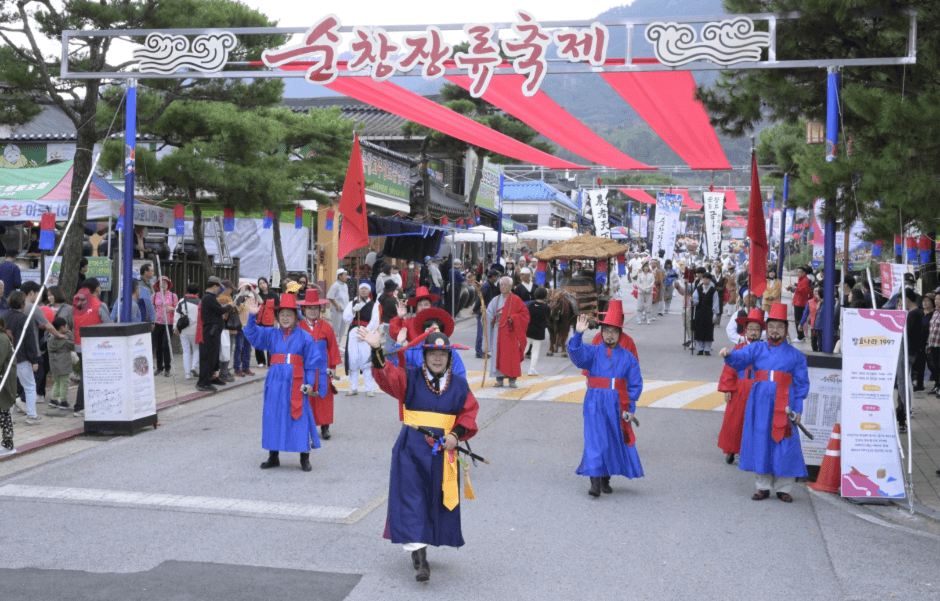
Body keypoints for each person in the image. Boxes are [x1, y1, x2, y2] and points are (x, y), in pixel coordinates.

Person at [360, 326, 479, 583]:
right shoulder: (411, 378)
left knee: (433, 499)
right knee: (412, 499)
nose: (437, 359)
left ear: (449, 357)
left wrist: (455, 435)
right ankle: (421, 559)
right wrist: (377, 349)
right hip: (411, 449)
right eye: (432, 354)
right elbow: (387, 376)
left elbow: (469, 413)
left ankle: (422, 546)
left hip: (442, 452)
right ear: (424, 356)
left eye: (442, 354)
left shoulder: (458, 384)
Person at [719, 303, 809, 503]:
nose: (774, 330)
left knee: (784, 442)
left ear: (786, 330)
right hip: (759, 402)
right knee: (761, 441)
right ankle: (763, 486)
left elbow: (802, 384)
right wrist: (728, 354)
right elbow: (740, 358)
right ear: (766, 329)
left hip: (785, 403)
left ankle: (783, 488)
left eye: (779, 326)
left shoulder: (796, 356)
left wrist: (798, 408)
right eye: (771, 326)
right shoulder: (757, 348)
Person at [243, 294, 325, 473]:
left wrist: (310, 383)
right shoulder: (271, 333)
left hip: (297, 382)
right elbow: (251, 334)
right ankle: (273, 456)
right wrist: (252, 316)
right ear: (277, 317)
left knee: (299, 417)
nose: (285, 318)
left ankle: (304, 457)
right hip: (275, 381)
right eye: (282, 315)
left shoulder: (305, 337)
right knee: (273, 416)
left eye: (289, 314)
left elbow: (311, 364)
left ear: (296, 317)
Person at [569, 307, 644, 497]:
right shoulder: (593, 352)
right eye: (606, 331)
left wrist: (631, 408)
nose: (609, 336)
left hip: (617, 404)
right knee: (595, 439)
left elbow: (634, 385)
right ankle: (594, 481)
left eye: (613, 332)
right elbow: (576, 355)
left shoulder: (628, 358)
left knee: (612, 438)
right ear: (601, 333)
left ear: (620, 334)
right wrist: (578, 334)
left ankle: (605, 478)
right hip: (594, 401)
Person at [717, 309, 764, 464]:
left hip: (759, 389)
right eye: (750, 329)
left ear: (761, 331)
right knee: (735, 420)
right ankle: (731, 449)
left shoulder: (766, 350)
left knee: (757, 421)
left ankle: (753, 452)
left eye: (757, 329)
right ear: (745, 330)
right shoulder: (738, 348)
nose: (753, 333)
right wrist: (728, 389)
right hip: (740, 388)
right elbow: (729, 370)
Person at [298, 289, 341, 441]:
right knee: (306, 396)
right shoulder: (299, 327)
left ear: (319, 309)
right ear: (304, 309)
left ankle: (325, 427)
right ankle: (308, 425)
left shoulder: (327, 327)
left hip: (323, 367)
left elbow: (333, 349)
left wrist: (333, 370)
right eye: (309, 308)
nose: (312, 311)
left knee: (324, 396)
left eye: (315, 308)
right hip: (305, 367)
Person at [72, 278, 112, 416]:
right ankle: (80, 406)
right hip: (95, 346)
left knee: (86, 374)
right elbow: (109, 326)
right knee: (89, 376)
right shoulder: (100, 305)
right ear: (96, 289)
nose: (101, 289)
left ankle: (84, 405)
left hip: (79, 344)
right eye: (100, 287)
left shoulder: (78, 304)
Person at [486, 276, 530, 388]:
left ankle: (512, 380)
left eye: (505, 285)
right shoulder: (495, 300)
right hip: (498, 331)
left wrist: (514, 317)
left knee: (511, 356)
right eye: (501, 285)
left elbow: (525, 315)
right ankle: (499, 379)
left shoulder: (516, 300)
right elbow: (489, 314)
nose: (503, 287)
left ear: (511, 286)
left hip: (511, 331)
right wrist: (484, 314)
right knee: (498, 354)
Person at [6, 291, 42, 424]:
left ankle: (7, 417)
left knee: (9, 388)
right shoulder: (24, 319)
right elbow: (30, 341)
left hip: (6, 358)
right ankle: (31, 415)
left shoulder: (3, 316)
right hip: (22, 358)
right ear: (22, 304)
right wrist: (34, 360)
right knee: (30, 386)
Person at [196, 276, 234, 393]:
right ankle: (203, 382)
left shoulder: (210, 298)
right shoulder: (208, 298)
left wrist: (219, 316)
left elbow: (214, 312)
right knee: (207, 357)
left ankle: (211, 377)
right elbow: (220, 310)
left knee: (213, 356)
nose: (219, 290)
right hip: (210, 332)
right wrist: (230, 305)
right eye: (218, 287)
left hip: (214, 331)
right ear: (214, 286)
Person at [343, 281, 379, 397]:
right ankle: (353, 388)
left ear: (369, 291)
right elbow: (346, 318)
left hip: (366, 333)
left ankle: (369, 389)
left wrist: (365, 333)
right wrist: (354, 310)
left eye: (366, 289)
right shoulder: (352, 303)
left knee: (366, 360)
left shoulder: (374, 305)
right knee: (353, 360)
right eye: (361, 288)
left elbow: (375, 321)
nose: (363, 290)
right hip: (353, 333)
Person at [897, 291, 923, 434]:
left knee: (902, 384)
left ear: (906, 300)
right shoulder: (916, 314)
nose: (900, 305)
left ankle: (903, 413)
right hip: (910, 353)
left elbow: (904, 334)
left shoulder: (912, 315)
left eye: (901, 301)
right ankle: (903, 412)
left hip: (907, 353)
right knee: (902, 383)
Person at [47, 316, 75, 411]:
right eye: (65, 326)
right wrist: (70, 335)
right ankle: (63, 401)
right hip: (64, 366)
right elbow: (73, 345)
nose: (67, 328)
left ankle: (53, 400)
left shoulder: (50, 339)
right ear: (61, 328)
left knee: (57, 383)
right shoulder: (65, 340)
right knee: (65, 383)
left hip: (54, 366)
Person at [233, 282, 260, 377]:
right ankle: (237, 368)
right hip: (240, 327)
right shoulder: (237, 297)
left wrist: (254, 291)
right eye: (245, 288)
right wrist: (240, 293)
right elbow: (234, 305)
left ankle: (246, 367)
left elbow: (261, 302)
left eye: (248, 288)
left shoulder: (251, 299)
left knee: (248, 348)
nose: (247, 290)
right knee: (239, 348)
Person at [175, 282, 200, 380]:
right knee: (197, 349)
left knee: (186, 351)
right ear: (197, 291)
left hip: (184, 330)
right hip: (195, 330)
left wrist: (175, 328)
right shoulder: (200, 302)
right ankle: (194, 366)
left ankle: (187, 374)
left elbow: (176, 315)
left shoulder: (182, 301)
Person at [152, 276, 177, 376]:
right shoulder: (154, 296)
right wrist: (152, 321)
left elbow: (177, 309)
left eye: (165, 283)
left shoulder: (173, 296)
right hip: (157, 323)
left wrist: (171, 308)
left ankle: (167, 368)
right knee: (158, 346)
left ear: (168, 285)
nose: (163, 285)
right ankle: (159, 367)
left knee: (166, 345)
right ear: (158, 285)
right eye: (161, 283)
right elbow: (152, 309)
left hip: (169, 323)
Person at [692, 271, 720, 355]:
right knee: (699, 330)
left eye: (707, 278)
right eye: (704, 278)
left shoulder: (713, 290)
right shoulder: (698, 289)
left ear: (710, 280)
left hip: (709, 313)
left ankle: (707, 349)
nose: (705, 280)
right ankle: (700, 349)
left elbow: (716, 303)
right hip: (699, 312)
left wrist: (715, 314)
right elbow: (695, 301)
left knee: (708, 331)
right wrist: (692, 300)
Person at [0, 316, 16, 456]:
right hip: (3, 381)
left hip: (4, 383)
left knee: (4, 412)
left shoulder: (2, 339)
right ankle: (7, 443)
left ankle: (8, 444)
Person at [473, 270, 499, 359]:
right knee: (480, 332)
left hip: (486, 311)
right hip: (481, 312)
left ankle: (482, 350)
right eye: (496, 276)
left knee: (484, 332)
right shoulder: (486, 285)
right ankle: (478, 351)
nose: (497, 278)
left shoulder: (491, 285)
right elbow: (480, 297)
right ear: (493, 277)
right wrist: (474, 309)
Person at [526, 287, 550, 376]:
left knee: (524, 350)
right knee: (535, 351)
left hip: (528, 331)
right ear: (545, 296)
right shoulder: (546, 308)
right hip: (539, 332)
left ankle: (516, 367)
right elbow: (548, 316)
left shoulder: (531, 305)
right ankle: (532, 370)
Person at [256, 276, 279, 367]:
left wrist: (277, 318)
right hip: (259, 322)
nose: (262, 285)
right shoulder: (258, 296)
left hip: (270, 322)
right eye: (260, 284)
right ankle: (261, 362)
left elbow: (277, 308)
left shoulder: (274, 295)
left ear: (267, 283)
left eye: (263, 283)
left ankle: (271, 362)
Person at [327, 269, 350, 352]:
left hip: (344, 310)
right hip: (337, 310)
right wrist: (336, 305)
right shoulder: (335, 285)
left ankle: (339, 344)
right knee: (336, 328)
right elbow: (330, 296)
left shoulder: (345, 285)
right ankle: (334, 346)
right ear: (339, 276)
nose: (346, 277)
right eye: (344, 275)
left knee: (343, 328)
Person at [787, 266, 811, 340]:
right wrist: (792, 289)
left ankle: (800, 336)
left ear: (804, 273)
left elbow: (805, 291)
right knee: (798, 320)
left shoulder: (805, 280)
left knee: (798, 320)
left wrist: (795, 287)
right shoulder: (801, 280)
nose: (798, 273)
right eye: (797, 272)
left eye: (799, 272)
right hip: (797, 302)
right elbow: (799, 290)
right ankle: (800, 335)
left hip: (800, 303)